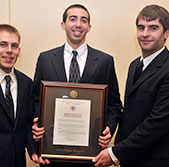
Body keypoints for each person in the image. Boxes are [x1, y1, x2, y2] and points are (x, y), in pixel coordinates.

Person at [32, 3, 122, 167]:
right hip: (52, 153)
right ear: (63, 24)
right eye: (73, 19)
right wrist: (37, 123)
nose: (78, 24)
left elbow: (114, 104)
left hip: (91, 155)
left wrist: (108, 128)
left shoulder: (105, 61)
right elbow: (36, 99)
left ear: (89, 27)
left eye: (84, 20)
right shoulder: (45, 59)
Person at [93, 4, 169, 167]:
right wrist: (109, 129)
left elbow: (157, 123)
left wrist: (115, 153)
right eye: (141, 27)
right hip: (132, 158)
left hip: (156, 161)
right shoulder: (134, 65)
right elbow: (131, 113)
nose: (145, 34)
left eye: (153, 28)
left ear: (166, 33)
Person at [0, 24, 41, 167]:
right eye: (3, 45)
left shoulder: (26, 83)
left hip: (18, 162)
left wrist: (33, 150)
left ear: (19, 50)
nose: (9, 51)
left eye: (14, 46)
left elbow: (28, 123)